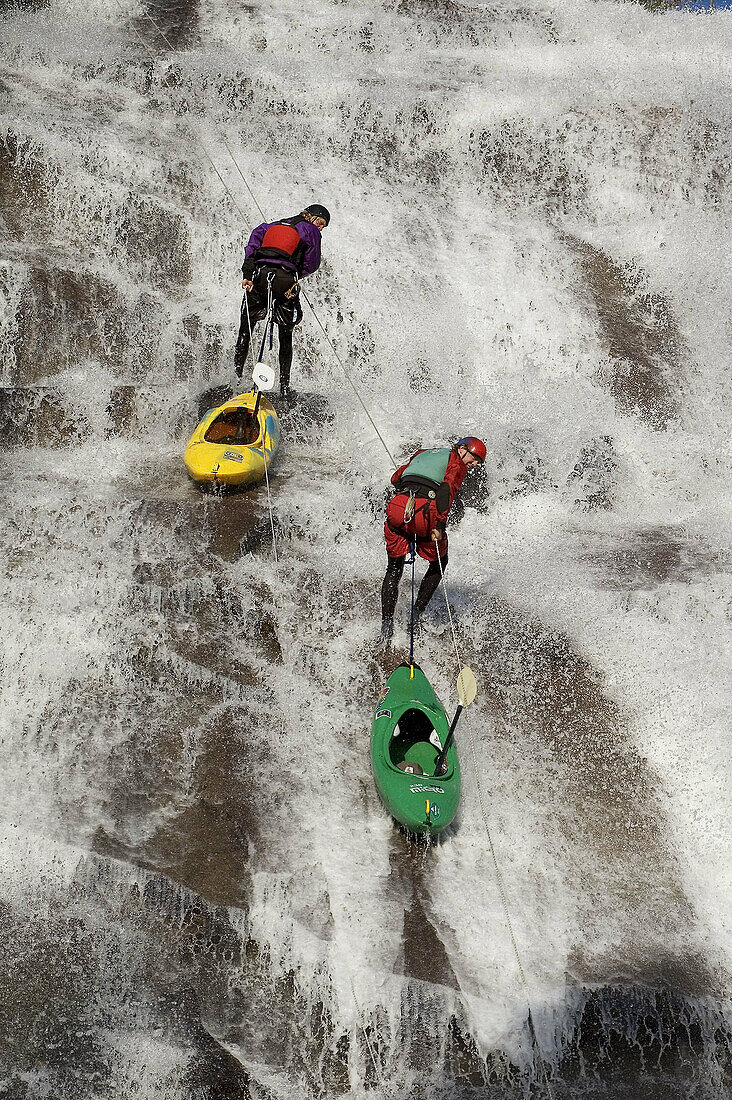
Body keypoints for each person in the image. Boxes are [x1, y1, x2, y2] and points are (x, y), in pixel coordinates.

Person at [380, 437, 487, 644]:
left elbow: (396, 478)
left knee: (394, 568)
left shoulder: (422, 453)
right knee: (439, 563)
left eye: (477, 463)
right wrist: (439, 525)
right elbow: (445, 491)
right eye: (474, 459)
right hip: (424, 514)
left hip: (397, 508)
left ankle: (386, 626)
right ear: (462, 448)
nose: (473, 465)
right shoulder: (456, 461)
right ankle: (416, 617)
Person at [234, 204, 330, 398]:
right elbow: (312, 264)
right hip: (286, 281)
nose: (320, 228)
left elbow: (251, 249)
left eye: (323, 227)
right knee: (285, 335)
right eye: (320, 223)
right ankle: (284, 389)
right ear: (310, 217)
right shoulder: (310, 230)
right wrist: (293, 275)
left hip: (259, 278)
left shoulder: (269, 227)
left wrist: (247, 275)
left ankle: (234, 380)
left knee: (246, 328)